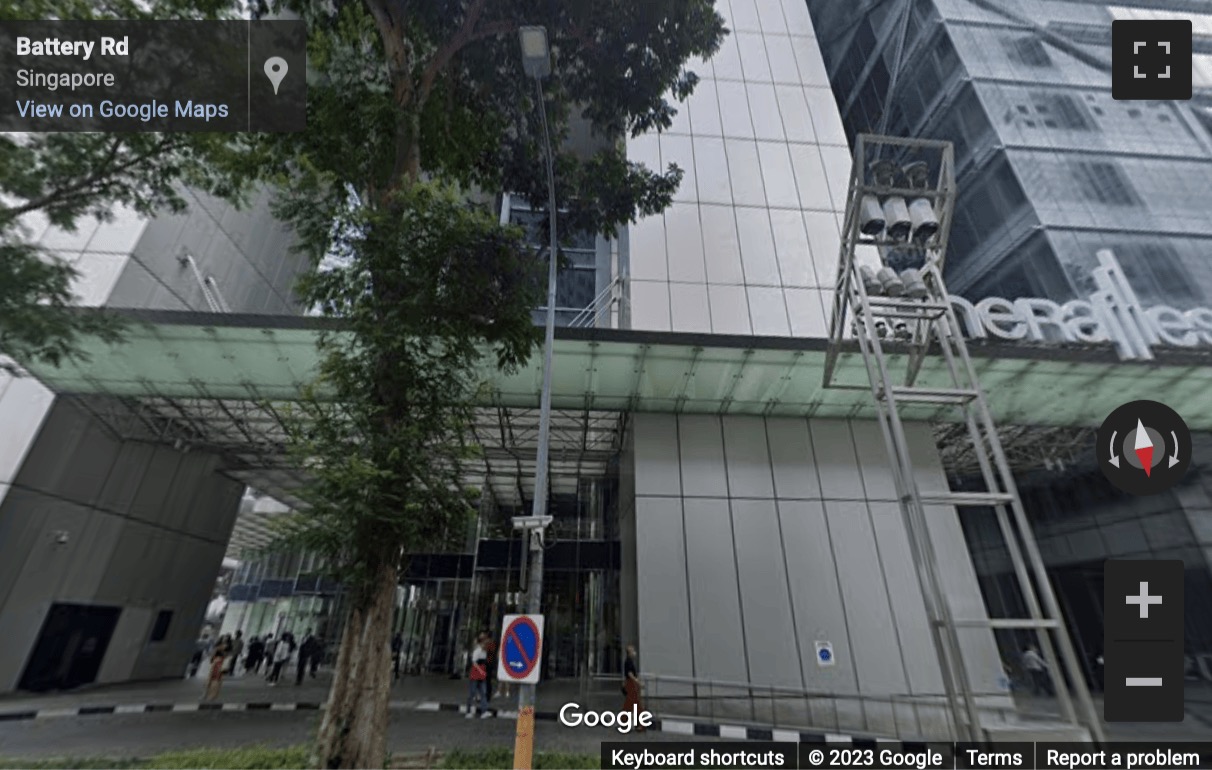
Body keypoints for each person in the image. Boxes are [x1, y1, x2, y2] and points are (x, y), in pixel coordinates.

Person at [465, 635, 490, 719]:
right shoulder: (478, 651)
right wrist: (481, 671)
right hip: (476, 674)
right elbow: (474, 662)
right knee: (472, 693)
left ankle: (484, 711)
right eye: (485, 644)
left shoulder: (484, 651)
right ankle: (468, 711)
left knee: (483, 693)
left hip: (481, 674)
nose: (486, 646)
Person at [622, 643, 645, 731]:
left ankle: (625, 722)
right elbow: (630, 674)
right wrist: (638, 682)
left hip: (631, 684)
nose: (634, 652)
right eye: (633, 651)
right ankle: (639, 724)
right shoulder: (628, 662)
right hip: (631, 685)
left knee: (629, 705)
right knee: (636, 705)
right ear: (629, 652)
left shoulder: (629, 661)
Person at [203, 635, 232, 701]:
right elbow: (213, 654)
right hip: (215, 662)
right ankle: (206, 694)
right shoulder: (219, 646)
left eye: (226, 638)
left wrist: (220, 649)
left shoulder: (227, 647)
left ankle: (212, 695)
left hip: (220, 663)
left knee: (216, 679)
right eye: (223, 638)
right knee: (211, 678)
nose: (224, 640)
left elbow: (227, 655)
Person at [480, 629, 496, 705]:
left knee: (486, 681)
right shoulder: (490, 643)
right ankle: (486, 696)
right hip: (488, 663)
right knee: (487, 681)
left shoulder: (488, 643)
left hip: (487, 664)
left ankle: (486, 696)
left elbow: (484, 651)